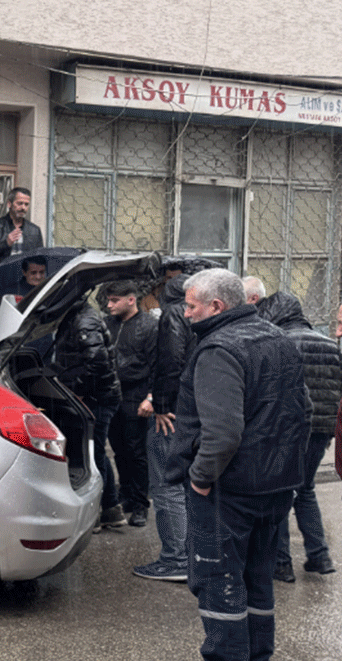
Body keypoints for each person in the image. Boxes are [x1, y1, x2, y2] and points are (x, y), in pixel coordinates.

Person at [166, 268, 308, 661]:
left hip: (227, 491)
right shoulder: (279, 338)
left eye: (191, 306)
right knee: (258, 579)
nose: (186, 314)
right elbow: (302, 413)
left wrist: (199, 479)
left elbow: (223, 432)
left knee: (218, 581)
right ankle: (258, 653)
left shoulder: (218, 350)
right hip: (274, 489)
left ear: (216, 305)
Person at [253, 288, 340, 581]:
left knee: (280, 491)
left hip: (289, 429)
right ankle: (320, 556)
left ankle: (281, 563)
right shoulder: (330, 344)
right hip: (321, 430)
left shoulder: (279, 343)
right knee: (305, 489)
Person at [133, 273, 193, 582]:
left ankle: (174, 560)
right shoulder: (204, 314)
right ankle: (189, 555)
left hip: (172, 414)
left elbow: (171, 361)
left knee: (166, 486)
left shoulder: (174, 313)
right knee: (186, 486)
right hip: (195, 411)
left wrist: (161, 405)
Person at [54, 300, 125, 529]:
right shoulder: (79, 316)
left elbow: (97, 363)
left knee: (91, 455)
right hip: (98, 395)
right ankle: (111, 510)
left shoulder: (83, 320)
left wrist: (80, 392)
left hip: (96, 397)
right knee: (95, 452)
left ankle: (95, 514)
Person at [104, 280, 157, 528]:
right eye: (109, 300)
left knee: (137, 453)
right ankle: (126, 495)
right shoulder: (109, 324)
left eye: (115, 300)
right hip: (113, 395)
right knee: (119, 450)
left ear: (131, 299)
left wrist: (150, 397)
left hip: (137, 395)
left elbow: (158, 365)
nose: (109, 305)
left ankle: (140, 505)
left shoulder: (149, 326)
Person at [0, 187, 44, 322]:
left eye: (26, 204)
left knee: (22, 324)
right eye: (19, 203)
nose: (23, 207)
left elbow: (40, 259)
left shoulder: (34, 230)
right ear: (9, 204)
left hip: (25, 287)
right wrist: (5, 244)